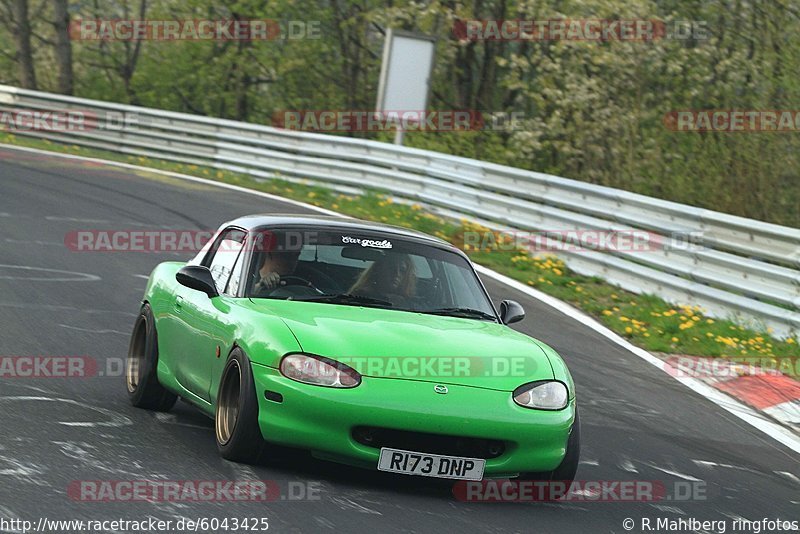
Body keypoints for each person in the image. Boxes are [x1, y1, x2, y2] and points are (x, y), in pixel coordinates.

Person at [349, 253, 416, 301]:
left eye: (402, 270)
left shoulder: (414, 304)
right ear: (379, 269)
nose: (397, 274)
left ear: (407, 276)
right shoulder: (359, 297)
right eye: (391, 268)